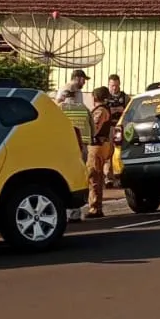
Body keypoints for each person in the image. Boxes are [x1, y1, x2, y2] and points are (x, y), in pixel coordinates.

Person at [58, 90, 94, 222]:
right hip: (83, 146)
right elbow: (93, 128)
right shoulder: (84, 108)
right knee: (79, 177)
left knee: (65, 178)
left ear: (64, 97)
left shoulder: (60, 108)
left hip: (66, 146)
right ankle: (77, 212)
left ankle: (68, 212)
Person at [86, 86, 113, 219]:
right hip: (102, 145)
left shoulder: (100, 111)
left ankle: (95, 208)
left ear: (95, 97)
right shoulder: (103, 109)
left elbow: (94, 128)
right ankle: (96, 206)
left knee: (94, 176)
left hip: (97, 145)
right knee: (97, 176)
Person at [104, 74, 130, 188]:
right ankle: (108, 178)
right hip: (109, 127)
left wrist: (122, 110)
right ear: (108, 85)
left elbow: (130, 111)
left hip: (120, 126)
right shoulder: (105, 97)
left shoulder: (125, 97)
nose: (114, 88)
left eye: (116, 85)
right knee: (108, 153)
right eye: (111, 85)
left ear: (119, 84)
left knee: (120, 152)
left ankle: (120, 176)